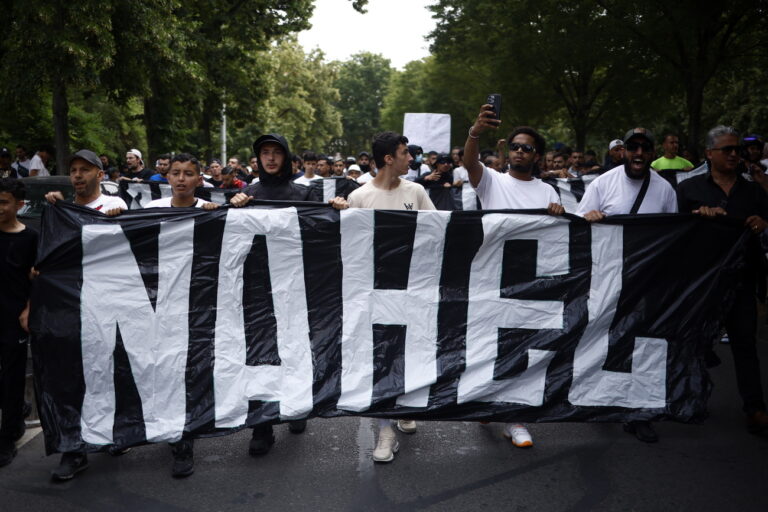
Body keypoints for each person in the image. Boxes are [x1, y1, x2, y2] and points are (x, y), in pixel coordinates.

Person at [230, 133, 346, 455]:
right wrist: (233, 207)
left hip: (296, 288)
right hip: (257, 291)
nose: (270, 158)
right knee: (259, 354)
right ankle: (261, 427)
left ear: (286, 157)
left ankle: (295, 407)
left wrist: (338, 210)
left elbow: (323, 234)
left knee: (296, 349)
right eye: (264, 153)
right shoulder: (247, 195)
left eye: (275, 153)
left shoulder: (305, 194)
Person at [463, 105, 565, 449]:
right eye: (516, 146)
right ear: (507, 151)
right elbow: (470, 162)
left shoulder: (549, 192)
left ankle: (515, 418)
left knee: (521, 347)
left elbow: (561, 239)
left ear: (538, 157)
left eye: (528, 148)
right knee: (487, 345)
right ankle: (487, 402)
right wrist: (475, 132)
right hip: (490, 277)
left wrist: (560, 214)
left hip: (530, 282)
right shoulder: (491, 181)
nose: (521, 151)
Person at [329, 132, 434, 463]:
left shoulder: (415, 191)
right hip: (372, 292)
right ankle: (386, 429)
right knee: (380, 355)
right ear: (389, 158)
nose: (411, 160)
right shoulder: (358, 197)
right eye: (405, 154)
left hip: (411, 288)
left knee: (408, 349)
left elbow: (439, 230)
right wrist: (338, 215)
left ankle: (403, 405)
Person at [577, 128, 676, 443]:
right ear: (622, 151)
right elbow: (578, 224)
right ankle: (602, 399)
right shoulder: (602, 183)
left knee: (643, 344)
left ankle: (639, 412)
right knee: (604, 339)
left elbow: (673, 235)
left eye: (644, 148)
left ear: (651, 153)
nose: (638, 153)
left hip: (646, 281)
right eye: (632, 147)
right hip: (607, 277)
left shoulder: (664, 190)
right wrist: (588, 217)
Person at [677, 125, 768, 435]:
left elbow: (766, 217)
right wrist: (696, 217)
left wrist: (762, 221)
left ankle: (755, 408)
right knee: (692, 343)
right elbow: (675, 234)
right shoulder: (689, 190)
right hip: (703, 281)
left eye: (737, 149)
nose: (734, 154)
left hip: (742, 281)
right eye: (727, 149)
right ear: (709, 153)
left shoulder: (753, 191)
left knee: (744, 345)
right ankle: (686, 398)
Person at [43, 150, 128, 480]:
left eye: (85, 170)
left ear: (99, 174)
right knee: (70, 376)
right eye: (73, 170)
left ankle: (112, 432)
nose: (77, 175)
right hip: (68, 307)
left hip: (106, 304)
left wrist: (121, 220)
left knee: (107, 370)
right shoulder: (60, 208)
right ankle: (73, 449)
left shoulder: (114, 207)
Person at [0, 178, 37, 468]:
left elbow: (36, 279)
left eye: (4, 202)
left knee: (13, 377)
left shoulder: (30, 238)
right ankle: (18, 410)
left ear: (19, 205)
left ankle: (9, 434)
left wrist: (28, 308)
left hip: (14, 317)